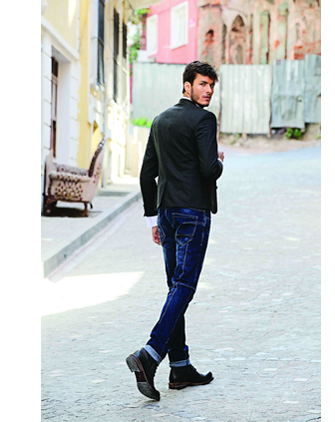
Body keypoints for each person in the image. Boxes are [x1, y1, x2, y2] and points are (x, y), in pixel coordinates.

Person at [126, 61, 225, 401]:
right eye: (202, 84)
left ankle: (180, 366)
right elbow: (209, 169)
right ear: (187, 86)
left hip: (167, 214)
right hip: (193, 213)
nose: (208, 90)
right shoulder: (204, 119)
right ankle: (151, 353)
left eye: (211, 85)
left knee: (175, 289)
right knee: (184, 286)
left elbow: (146, 174)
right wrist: (219, 161)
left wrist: (153, 219)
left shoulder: (160, 120)